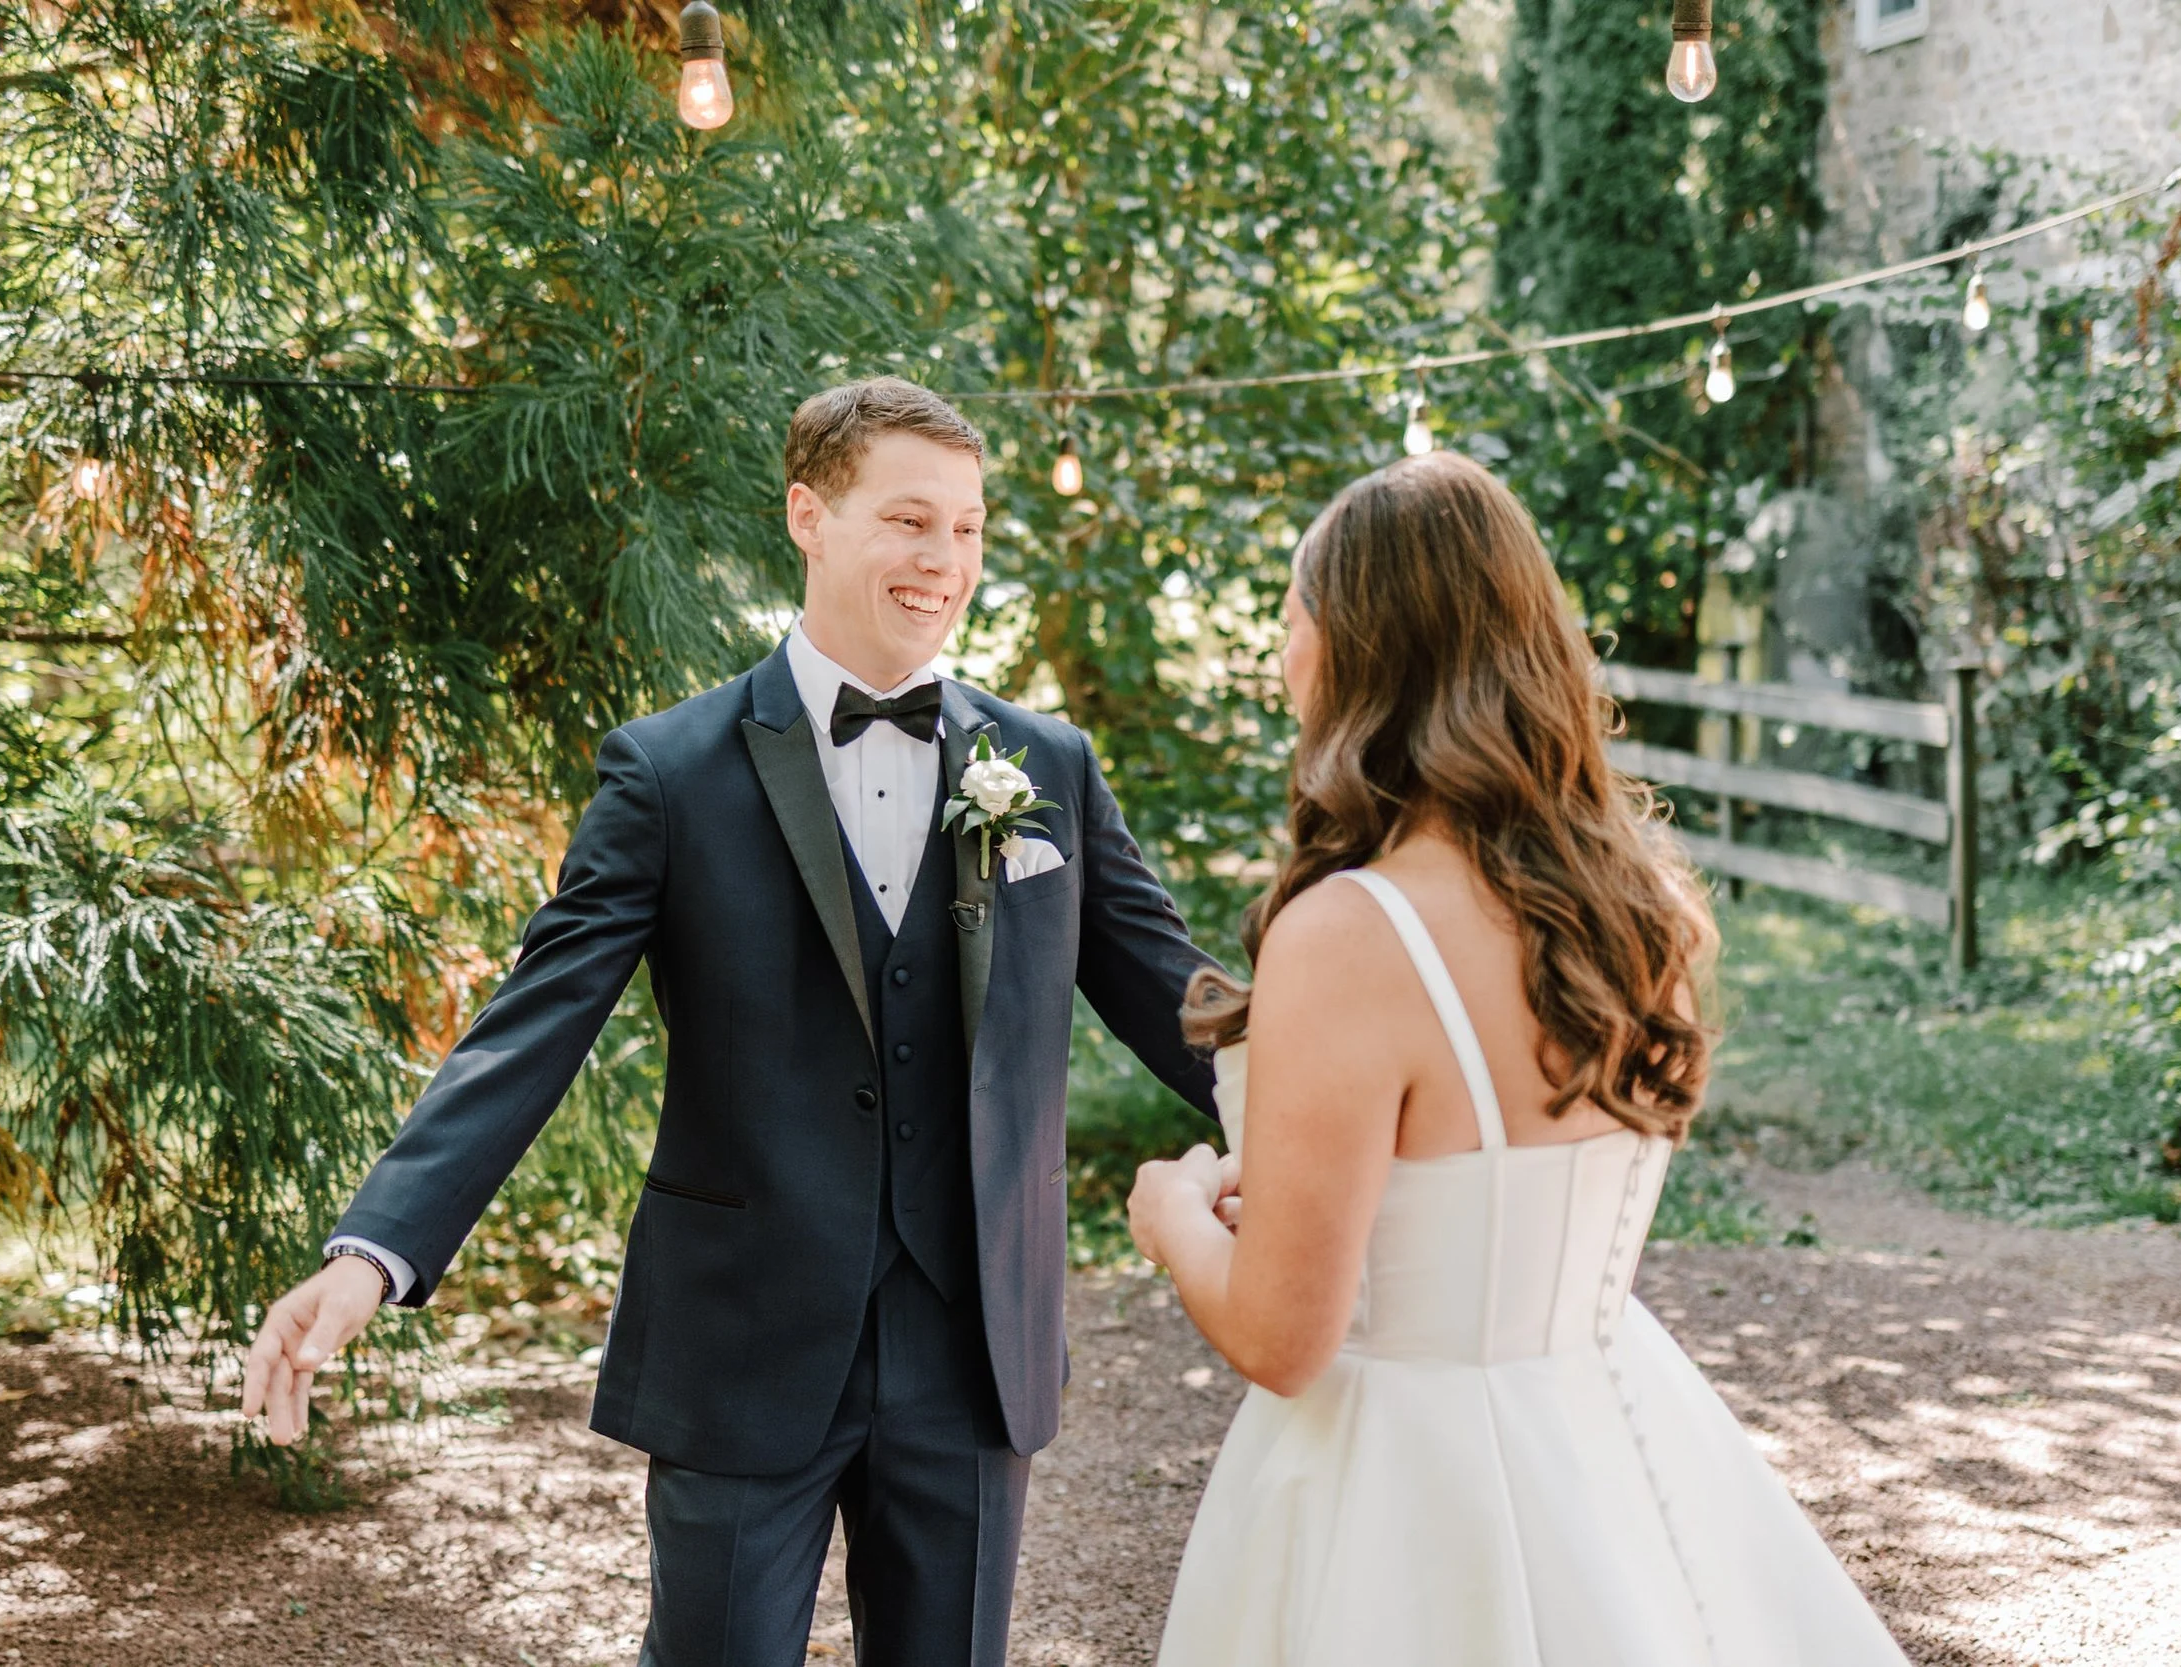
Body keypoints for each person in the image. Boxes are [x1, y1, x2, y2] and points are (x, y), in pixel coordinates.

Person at [239, 377, 1218, 1667]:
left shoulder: (1044, 767)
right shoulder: (668, 770)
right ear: (809, 515)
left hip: (975, 1345)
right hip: (743, 1339)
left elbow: (1184, 1002)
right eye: (911, 520)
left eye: (969, 527)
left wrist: (1365, 1118)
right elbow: (533, 1026)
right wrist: (374, 1251)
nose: (946, 560)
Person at [1127, 451, 1911, 1666]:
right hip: (1605, 1431)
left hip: (1394, 1491)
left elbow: (1284, 1337)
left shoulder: (1349, 931)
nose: (1283, 657)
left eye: (1294, 619)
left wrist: (1176, 1206)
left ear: (1357, 649)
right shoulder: (1635, 905)